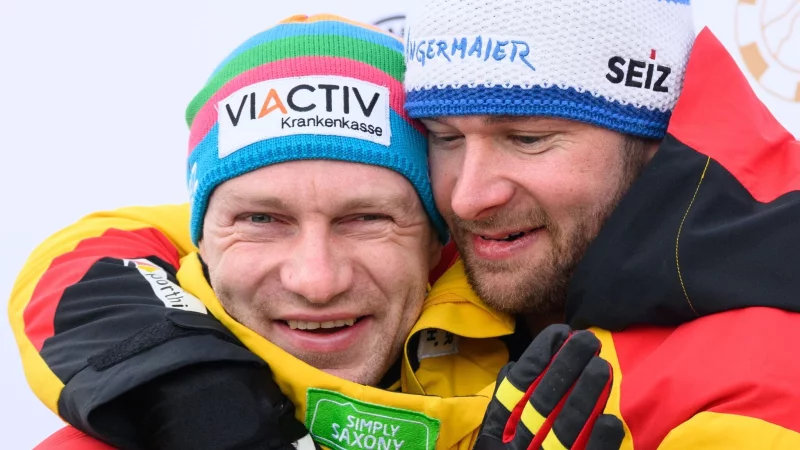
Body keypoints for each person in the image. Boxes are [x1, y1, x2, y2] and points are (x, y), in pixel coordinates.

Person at [15, 0, 800, 448]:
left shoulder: (761, 353)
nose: (468, 195)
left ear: (654, 139)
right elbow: (131, 238)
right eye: (446, 141)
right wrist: (161, 372)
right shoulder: (453, 255)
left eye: (528, 137)